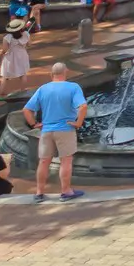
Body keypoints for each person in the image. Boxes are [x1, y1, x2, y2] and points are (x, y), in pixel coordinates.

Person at [23, 62, 89, 201]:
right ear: (66, 72)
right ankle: (66, 191)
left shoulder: (42, 89)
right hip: (66, 129)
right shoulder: (73, 87)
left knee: (44, 162)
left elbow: (26, 110)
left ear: (51, 74)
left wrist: (34, 124)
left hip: (46, 130)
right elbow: (82, 107)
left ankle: (39, 192)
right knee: (66, 161)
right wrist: (78, 122)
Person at [0, 18, 33, 98]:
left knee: (5, 75)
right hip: (22, 55)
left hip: (10, 57)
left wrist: (1, 54)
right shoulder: (26, 34)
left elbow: (5, 49)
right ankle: (23, 91)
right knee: (23, 74)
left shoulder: (7, 37)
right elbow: (29, 44)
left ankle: (2, 92)